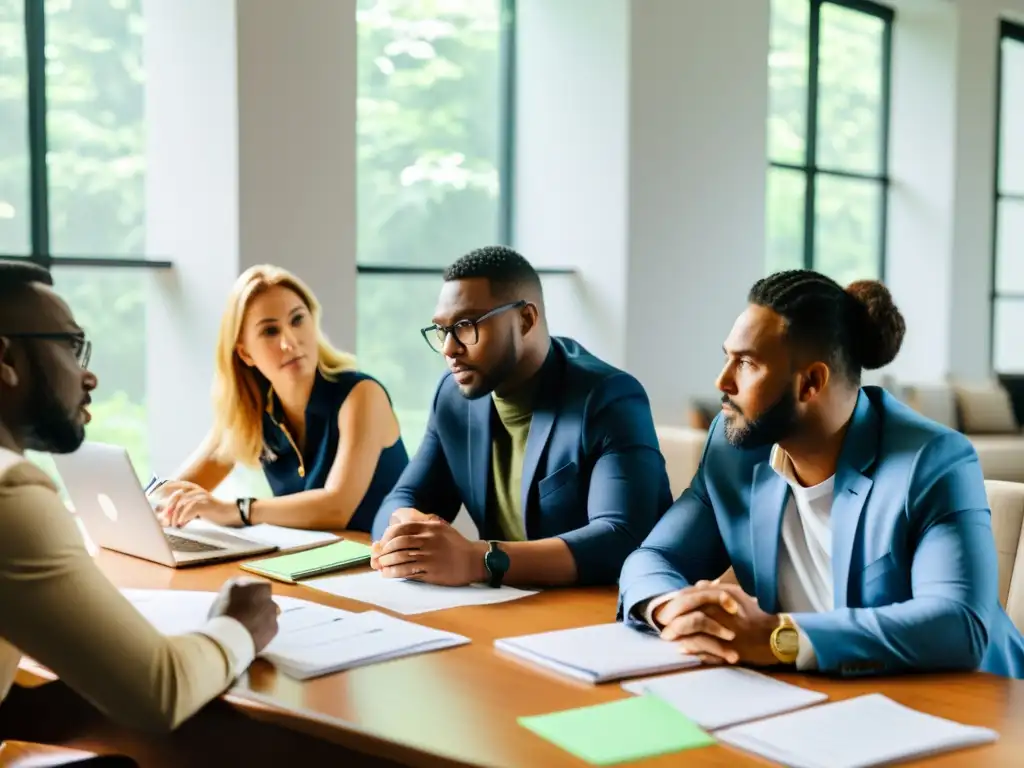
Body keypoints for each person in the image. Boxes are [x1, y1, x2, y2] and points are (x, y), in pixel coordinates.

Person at [618, 269, 1024, 679]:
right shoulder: (732, 451)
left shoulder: (933, 461)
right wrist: (671, 608)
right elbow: (655, 556)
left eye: (745, 363)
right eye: (727, 357)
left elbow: (957, 624)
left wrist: (780, 637)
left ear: (811, 382)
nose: (722, 381)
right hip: (818, 695)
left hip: (973, 705)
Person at [0, 259, 279, 732]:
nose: (89, 377)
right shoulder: (12, 494)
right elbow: (161, 692)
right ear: (5, 361)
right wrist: (240, 627)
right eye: (71, 347)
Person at [369, 246, 672, 588]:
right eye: (442, 329)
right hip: (505, 606)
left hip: (600, 610)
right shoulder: (453, 397)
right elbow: (399, 499)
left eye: (466, 326)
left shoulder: (609, 397)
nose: (449, 348)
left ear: (526, 319)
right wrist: (406, 526)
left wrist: (480, 560)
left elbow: (621, 537)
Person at [156, 265, 409, 532]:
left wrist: (233, 510)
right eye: (270, 331)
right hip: (307, 565)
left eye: (297, 320)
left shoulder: (362, 395)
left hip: (383, 566)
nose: (290, 342)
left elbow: (336, 508)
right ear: (245, 354)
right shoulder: (250, 412)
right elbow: (171, 492)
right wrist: (159, 502)